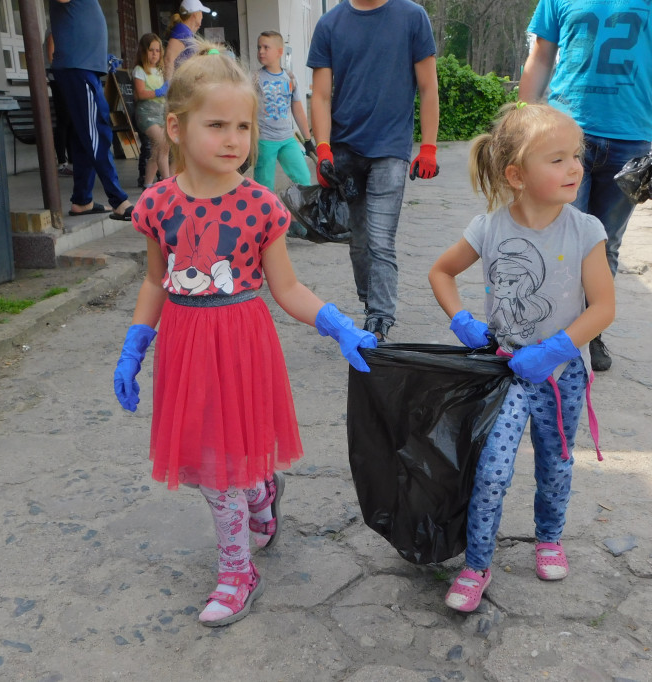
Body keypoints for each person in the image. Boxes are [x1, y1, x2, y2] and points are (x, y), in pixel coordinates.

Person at [112, 40, 378, 627]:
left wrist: (337, 325)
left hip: (242, 344)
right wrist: (136, 343)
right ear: (176, 128)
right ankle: (238, 564)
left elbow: (286, 287)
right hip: (185, 346)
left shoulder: (262, 206)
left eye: (244, 126)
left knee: (234, 450)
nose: (234, 139)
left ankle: (255, 510)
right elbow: (157, 281)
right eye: (217, 125)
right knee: (212, 461)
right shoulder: (156, 205)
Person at [428, 102, 614, 612]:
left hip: (561, 377)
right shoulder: (487, 228)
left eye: (576, 156)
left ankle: (549, 538)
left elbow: (604, 307)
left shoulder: (586, 230)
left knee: (555, 461)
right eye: (557, 159)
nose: (575, 167)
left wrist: (557, 348)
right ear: (516, 174)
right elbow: (441, 272)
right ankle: (477, 564)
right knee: (491, 471)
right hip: (504, 373)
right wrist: (462, 321)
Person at [518, 0, 652, 371]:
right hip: (564, 132)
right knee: (555, 236)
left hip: (629, 139)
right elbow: (541, 55)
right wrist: (520, 119)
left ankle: (586, 333)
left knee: (604, 244)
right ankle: (542, 329)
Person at [307, 0, 440, 341]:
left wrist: (428, 147)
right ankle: (370, 302)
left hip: (390, 149)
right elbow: (320, 96)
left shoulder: (412, 17)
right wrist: (322, 148)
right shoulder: (330, 24)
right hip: (345, 150)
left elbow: (428, 88)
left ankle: (380, 319)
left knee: (381, 240)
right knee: (359, 240)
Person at [48, 0, 133, 220]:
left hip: (83, 66)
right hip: (79, 67)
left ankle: (82, 200)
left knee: (83, 136)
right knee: (98, 132)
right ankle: (118, 200)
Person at [253, 30, 315, 194]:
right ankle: (265, 218)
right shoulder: (256, 79)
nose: (261, 51)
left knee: (303, 178)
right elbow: (247, 109)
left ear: (280, 51)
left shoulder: (290, 78)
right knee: (264, 187)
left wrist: (307, 140)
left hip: (288, 139)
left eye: (266, 47)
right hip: (264, 140)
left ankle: (302, 217)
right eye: (259, 47)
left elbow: (298, 109)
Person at [132, 33, 171, 188]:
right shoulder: (139, 70)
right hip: (146, 114)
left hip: (161, 113)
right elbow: (140, 94)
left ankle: (148, 184)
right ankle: (169, 183)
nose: (155, 54)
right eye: (151, 50)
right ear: (143, 51)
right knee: (162, 142)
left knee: (157, 150)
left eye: (158, 50)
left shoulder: (161, 71)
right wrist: (158, 92)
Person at [44, 28, 74, 176]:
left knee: (70, 119)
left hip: (67, 79)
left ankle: (72, 159)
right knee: (64, 119)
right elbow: (52, 58)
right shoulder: (53, 32)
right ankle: (62, 162)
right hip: (59, 79)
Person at [165, 0, 209, 79]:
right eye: (201, 12)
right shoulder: (181, 30)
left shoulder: (186, 32)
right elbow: (169, 58)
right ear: (195, 14)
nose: (202, 17)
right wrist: (168, 84)